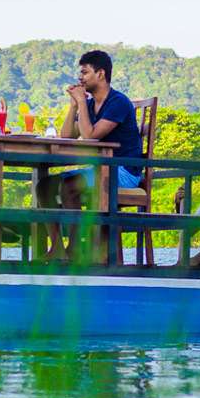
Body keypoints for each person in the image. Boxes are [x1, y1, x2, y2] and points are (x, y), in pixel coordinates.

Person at [36, 49, 143, 261]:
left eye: (85, 73)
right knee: (44, 186)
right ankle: (58, 248)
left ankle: (75, 249)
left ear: (100, 74)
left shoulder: (118, 102)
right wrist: (74, 105)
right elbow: (67, 135)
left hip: (124, 171)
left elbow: (90, 136)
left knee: (69, 187)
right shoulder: (91, 105)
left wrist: (83, 104)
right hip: (100, 169)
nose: (80, 78)